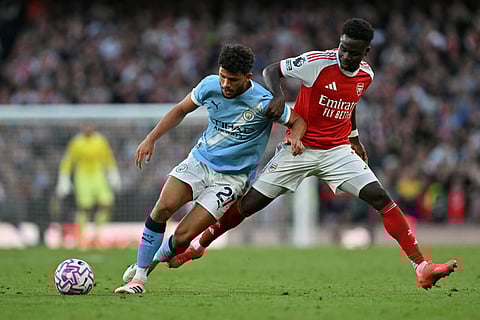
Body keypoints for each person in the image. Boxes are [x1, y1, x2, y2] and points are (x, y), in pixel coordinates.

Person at [161, 18, 458, 290]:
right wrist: (278, 95)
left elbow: (349, 104)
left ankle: (421, 265)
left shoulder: (366, 75)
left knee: (381, 198)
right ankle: (198, 246)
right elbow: (271, 70)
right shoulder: (317, 62)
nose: (345, 55)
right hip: (299, 147)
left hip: (337, 151)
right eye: (343, 48)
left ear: (365, 52)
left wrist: (354, 138)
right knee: (247, 206)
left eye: (353, 52)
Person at [114, 44, 306, 294]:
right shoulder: (209, 85)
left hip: (231, 179)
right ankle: (138, 279)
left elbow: (298, 121)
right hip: (199, 162)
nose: (225, 84)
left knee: (182, 237)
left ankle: (149, 263)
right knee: (163, 207)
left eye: (232, 80)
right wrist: (151, 138)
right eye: (223, 76)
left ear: (248, 77)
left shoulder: (263, 102)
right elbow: (181, 109)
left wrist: (296, 137)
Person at [55, 122, 121, 248]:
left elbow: (108, 157)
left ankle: (97, 234)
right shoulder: (76, 142)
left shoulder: (100, 140)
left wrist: (113, 173)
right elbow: (68, 160)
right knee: (84, 208)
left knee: (107, 204)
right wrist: (63, 178)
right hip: (82, 176)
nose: (88, 128)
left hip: (98, 175)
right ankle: (81, 239)